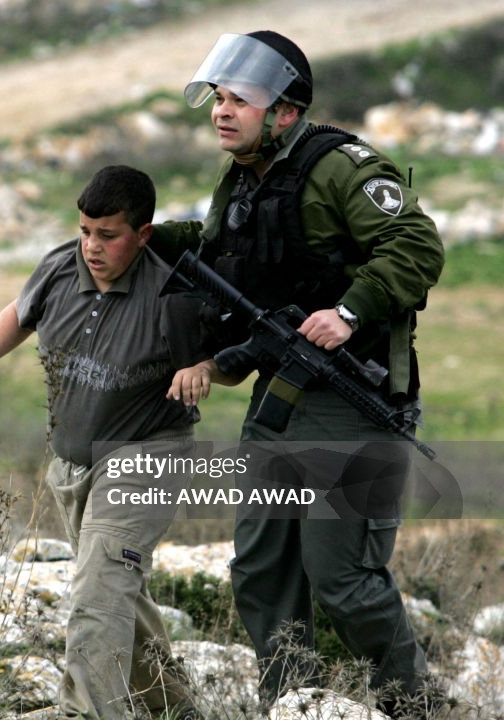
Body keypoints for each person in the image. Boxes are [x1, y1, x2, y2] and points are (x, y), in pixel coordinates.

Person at [155, 31, 445, 717]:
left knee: (341, 577)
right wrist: (142, 234)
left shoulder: (341, 167)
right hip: (283, 393)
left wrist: (349, 310)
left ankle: (418, 704)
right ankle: (294, 702)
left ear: (285, 113)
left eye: (239, 101)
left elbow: (417, 243)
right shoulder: (245, 182)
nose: (221, 112)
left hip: (357, 397)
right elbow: (224, 259)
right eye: (218, 100)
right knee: (261, 566)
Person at [0, 165, 208, 720]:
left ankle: (84, 713)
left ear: (143, 234)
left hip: (146, 455)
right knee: (118, 593)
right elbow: (20, 313)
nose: (92, 245)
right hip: (72, 463)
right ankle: (175, 709)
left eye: (108, 235)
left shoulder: (171, 293)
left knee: (95, 591)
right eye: (85, 230)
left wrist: (203, 367)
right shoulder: (61, 266)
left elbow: (221, 363)